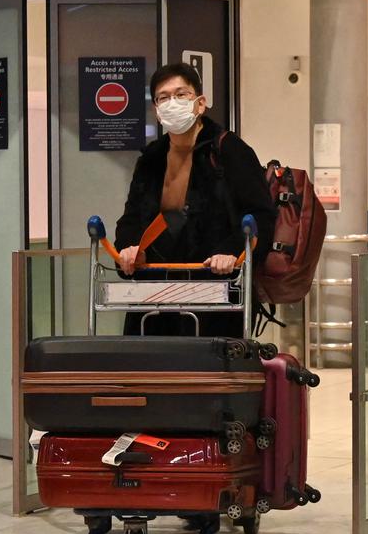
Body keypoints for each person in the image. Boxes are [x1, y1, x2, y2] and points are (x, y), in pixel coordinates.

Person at [114, 63, 276, 340]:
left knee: (208, 363)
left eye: (181, 94)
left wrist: (231, 252)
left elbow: (261, 215)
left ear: (200, 104)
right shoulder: (151, 158)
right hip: (155, 296)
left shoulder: (228, 150)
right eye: (163, 97)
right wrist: (128, 249)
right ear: (156, 110)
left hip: (215, 294)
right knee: (148, 364)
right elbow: (131, 217)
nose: (172, 103)